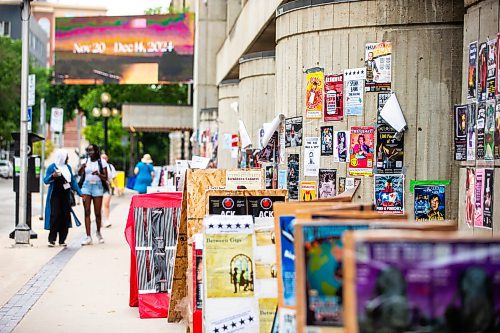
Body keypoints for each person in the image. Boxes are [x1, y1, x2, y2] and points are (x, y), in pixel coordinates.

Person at [44, 150, 83, 247]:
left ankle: (62, 240)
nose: (68, 159)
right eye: (66, 157)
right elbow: (45, 180)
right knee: (55, 216)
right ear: (62, 157)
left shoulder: (68, 167)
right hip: (55, 195)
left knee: (65, 217)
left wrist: (80, 193)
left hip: (66, 195)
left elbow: (73, 182)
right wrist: (53, 176)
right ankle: (52, 239)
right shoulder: (52, 167)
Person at [78, 144, 108, 245]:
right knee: (87, 211)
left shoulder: (102, 162)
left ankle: (98, 233)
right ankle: (88, 236)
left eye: (91, 151)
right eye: (88, 151)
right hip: (86, 187)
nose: (90, 153)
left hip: (97, 187)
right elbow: (79, 173)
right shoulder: (85, 161)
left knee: (98, 213)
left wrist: (98, 173)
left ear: (96, 151)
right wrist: (82, 167)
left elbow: (105, 177)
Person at [100, 153, 121, 228]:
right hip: (97, 187)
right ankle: (99, 220)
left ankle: (107, 220)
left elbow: (114, 178)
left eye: (105, 158)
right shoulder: (97, 166)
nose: (104, 159)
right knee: (98, 205)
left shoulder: (110, 167)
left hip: (107, 187)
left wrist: (117, 187)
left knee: (106, 204)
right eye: (102, 157)